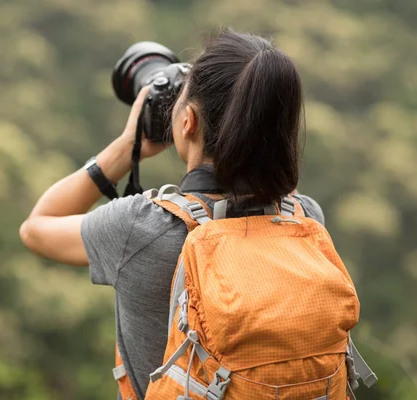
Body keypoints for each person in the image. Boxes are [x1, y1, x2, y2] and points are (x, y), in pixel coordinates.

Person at [20, 29, 325, 399]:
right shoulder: (304, 219)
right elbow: (275, 184)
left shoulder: (141, 228)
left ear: (187, 122)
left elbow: (37, 228)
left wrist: (125, 147)